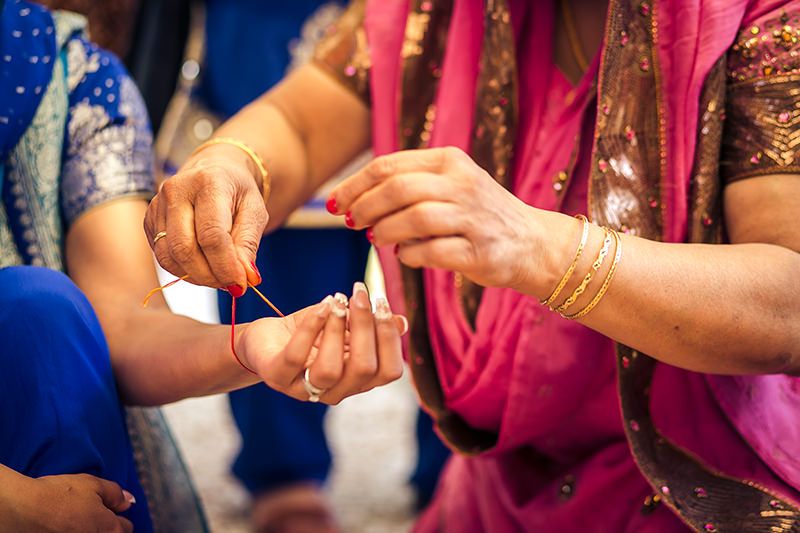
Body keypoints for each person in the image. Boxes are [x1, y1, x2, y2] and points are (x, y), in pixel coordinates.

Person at [146, 0, 800, 530]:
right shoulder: (436, 14)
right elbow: (300, 123)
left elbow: (788, 301)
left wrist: (537, 246)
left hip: (704, 476)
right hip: (502, 471)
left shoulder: (766, 18)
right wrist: (229, 163)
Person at [0, 1, 405, 531]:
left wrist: (250, 347)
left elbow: (121, 327)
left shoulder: (72, 74)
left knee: (43, 314)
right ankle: (285, 473)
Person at [143, 1, 450, 529]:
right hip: (270, 32)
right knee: (269, 253)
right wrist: (229, 157)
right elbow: (292, 128)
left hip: (447, 52)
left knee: (453, 261)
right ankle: (283, 469)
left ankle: (462, 465)